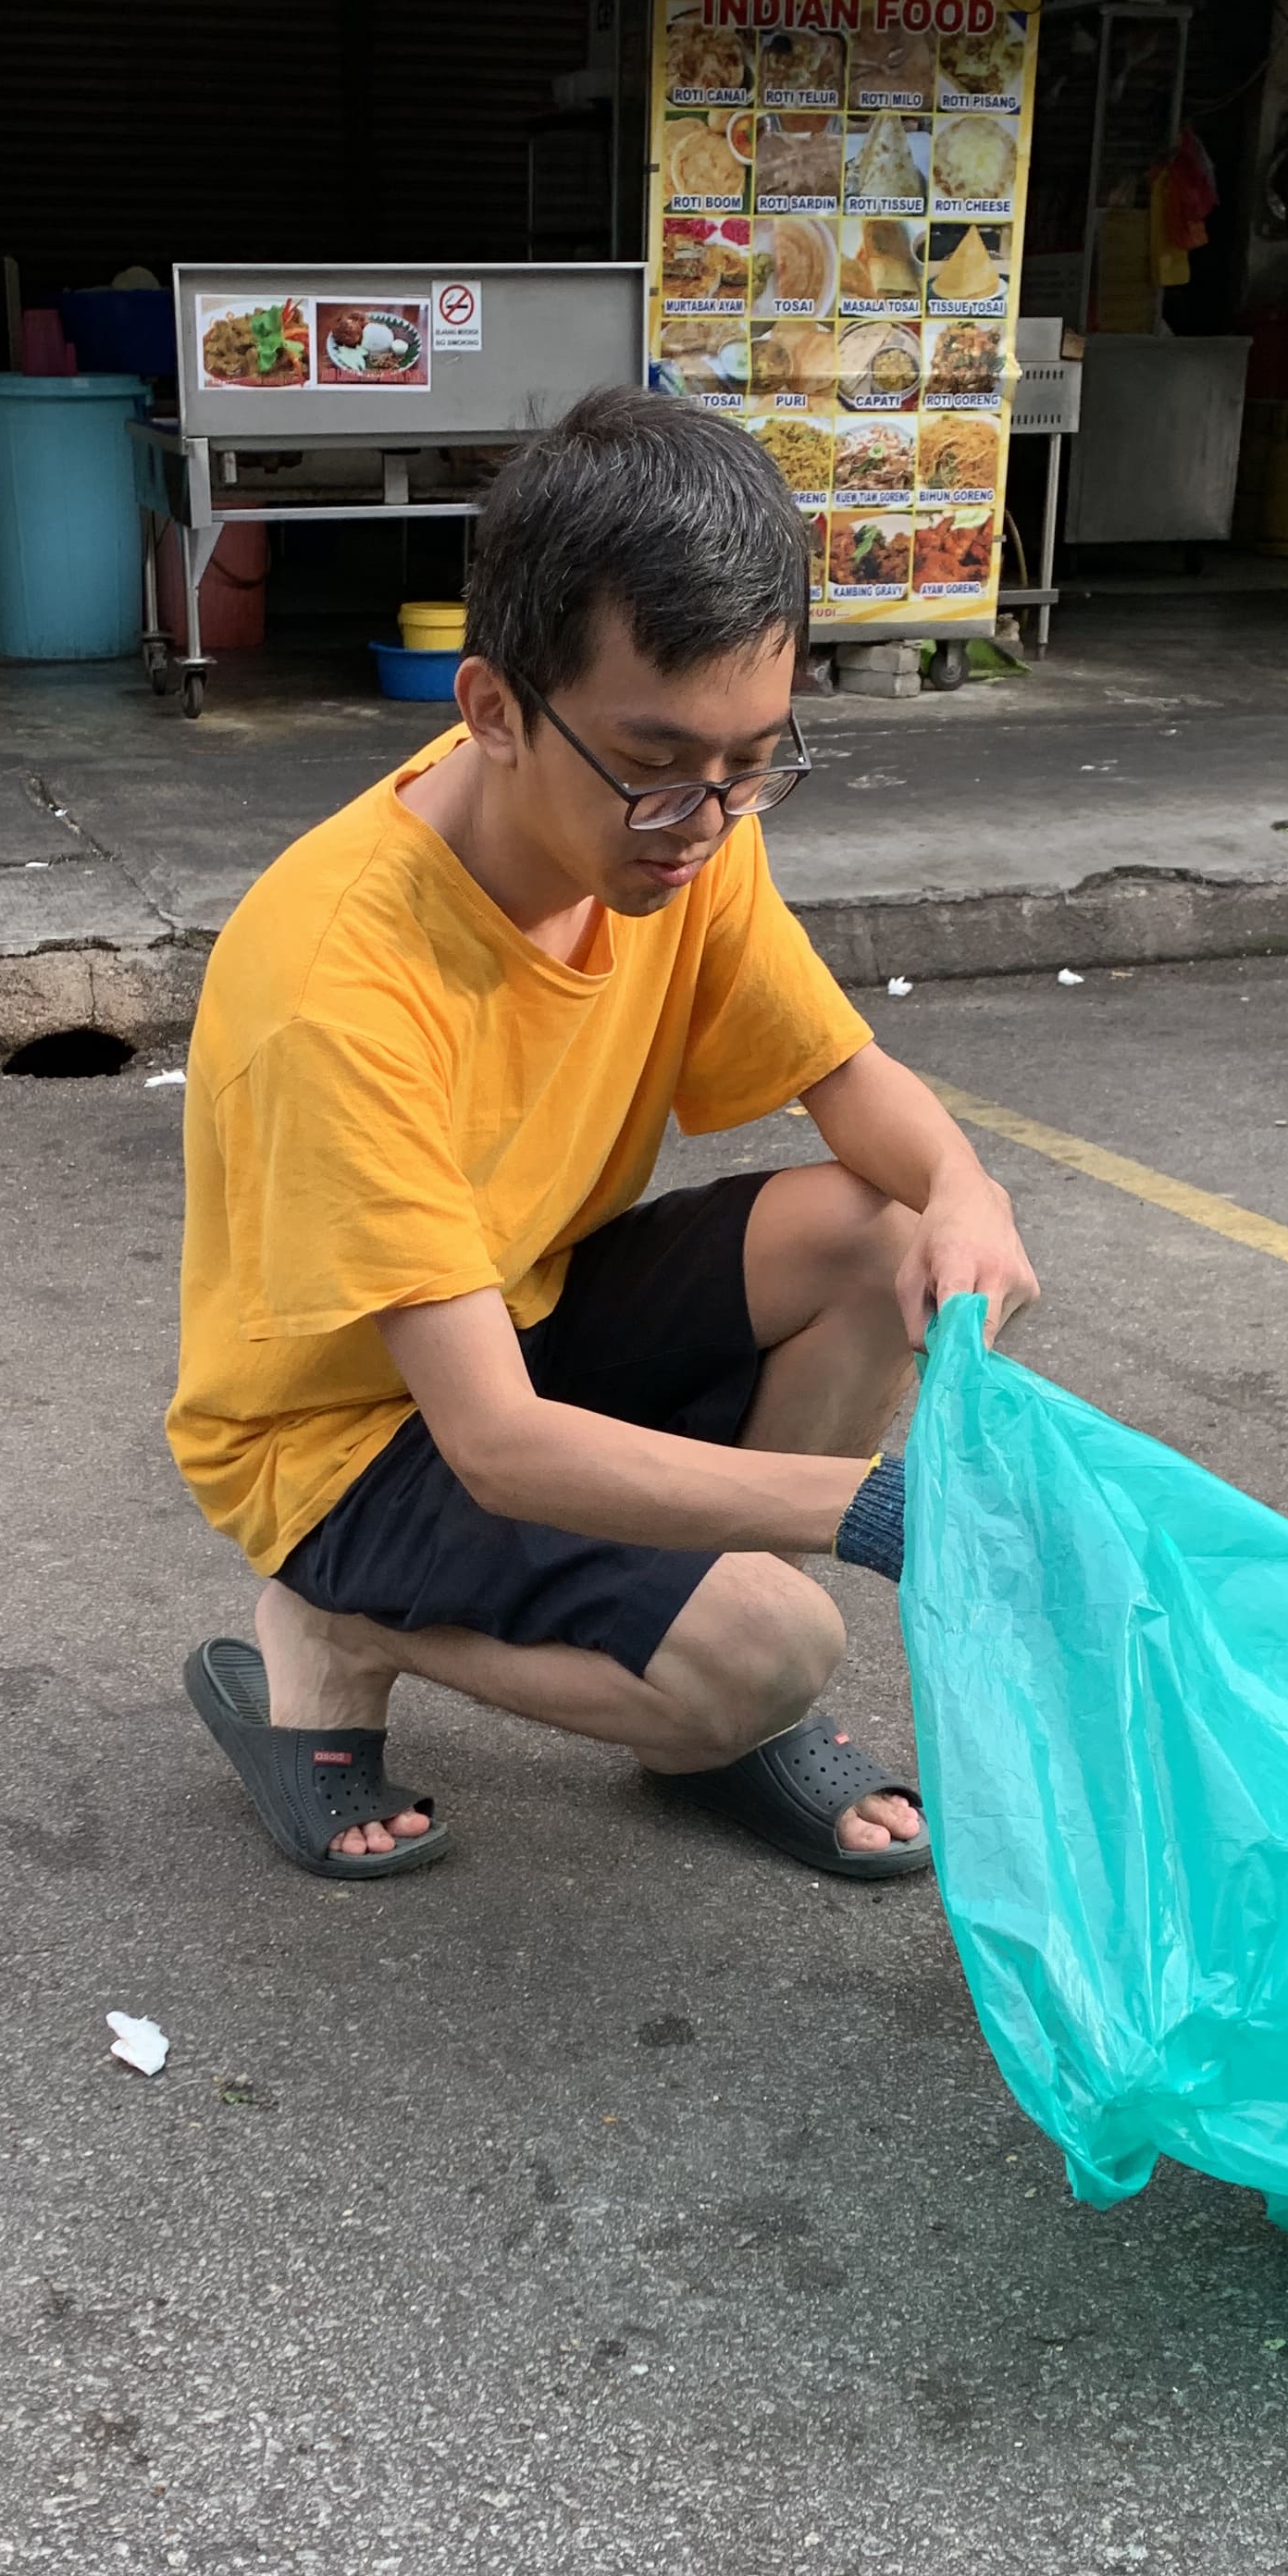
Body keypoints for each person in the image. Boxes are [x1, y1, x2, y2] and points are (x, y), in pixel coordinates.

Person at [166, 387, 1039, 1886]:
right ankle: (343, 1623)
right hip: (344, 1436)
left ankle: (702, 1695)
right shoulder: (338, 982)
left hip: (521, 1318)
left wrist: (967, 1190)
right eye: (659, 763)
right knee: (778, 1643)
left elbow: (845, 1075)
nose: (703, 820)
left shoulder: (683, 829)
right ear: (494, 708)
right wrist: (876, 1512)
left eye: (752, 762)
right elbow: (497, 1445)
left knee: (880, 1232)